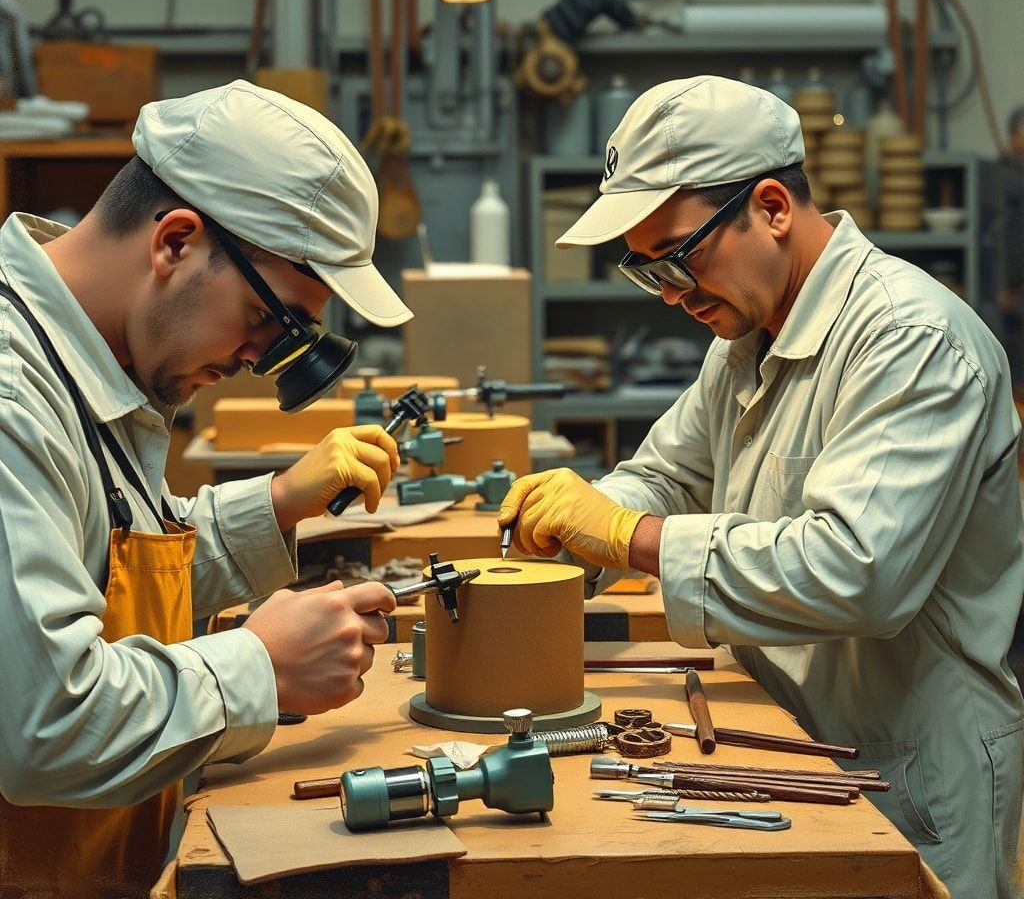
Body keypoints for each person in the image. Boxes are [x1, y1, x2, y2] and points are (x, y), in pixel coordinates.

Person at [498, 76, 1024, 897]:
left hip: (907, 767)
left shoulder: (911, 340)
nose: (672, 295)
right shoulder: (746, 339)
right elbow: (670, 474)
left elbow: (858, 571)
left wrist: (630, 537)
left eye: (679, 258)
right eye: (646, 270)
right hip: (782, 737)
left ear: (772, 208)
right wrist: (573, 535)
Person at [0, 80, 415, 897]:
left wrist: (275, 505)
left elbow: (100, 577)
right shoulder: (14, 399)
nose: (259, 361)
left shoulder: (91, 366)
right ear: (176, 242)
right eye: (269, 321)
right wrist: (259, 664)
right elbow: (46, 725)